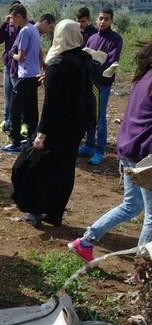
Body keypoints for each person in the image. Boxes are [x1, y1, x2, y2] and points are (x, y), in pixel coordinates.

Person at [68, 39, 152, 261]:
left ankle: (85, 241)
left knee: (132, 205)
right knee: (151, 216)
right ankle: (143, 271)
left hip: (130, 147)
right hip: (145, 154)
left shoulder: (145, 76)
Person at [11, 19, 92, 227]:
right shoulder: (84, 59)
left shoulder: (58, 64)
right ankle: (55, 214)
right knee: (64, 169)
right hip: (75, 126)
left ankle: (35, 211)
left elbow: (50, 104)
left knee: (33, 166)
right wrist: (49, 79)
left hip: (55, 127)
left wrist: (41, 133)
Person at [78, 7, 123, 166]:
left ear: (112, 21)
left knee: (100, 116)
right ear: (96, 19)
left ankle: (99, 150)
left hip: (102, 83)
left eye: (106, 19)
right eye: (101, 18)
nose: (102, 21)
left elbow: (111, 60)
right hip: (89, 82)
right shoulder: (92, 37)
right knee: (90, 112)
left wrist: (96, 68)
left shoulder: (115, 39)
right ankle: (89, 145)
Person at [0, 4, 43, 153]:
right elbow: (39, 52)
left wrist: (12, 55)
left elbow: (21, 56)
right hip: (34, 75)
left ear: (19, 16)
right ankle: (31, 139)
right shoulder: (34, 29)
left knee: (15, 109)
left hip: (24, 75)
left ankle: (15, 143)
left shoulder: (25, 31)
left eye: (12, 18)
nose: (11, 21)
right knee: (31, 110)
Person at [0, 0, 23, 133]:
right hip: (8, 64)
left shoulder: (25, 27)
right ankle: (6, 120)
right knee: (8, 93)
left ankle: (20, 122)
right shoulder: (8, 25)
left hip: (21, 65)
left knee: (19, 95)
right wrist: (5, 23)